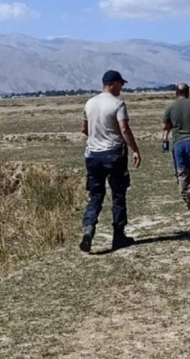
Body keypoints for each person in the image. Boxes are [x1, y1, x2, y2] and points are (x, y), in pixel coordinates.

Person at [79, 70, 142, 253]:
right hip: (114, 154)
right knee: (118, 195)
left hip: (92, 155)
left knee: (96, 195)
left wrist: (97, 137)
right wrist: (135, 150)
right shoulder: (118, 104)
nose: (122, 88)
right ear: (113, 83)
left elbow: (84, 129)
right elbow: (124, 129)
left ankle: (89, 228)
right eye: (121, 84)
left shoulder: (90, 103)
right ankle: (119, 235)